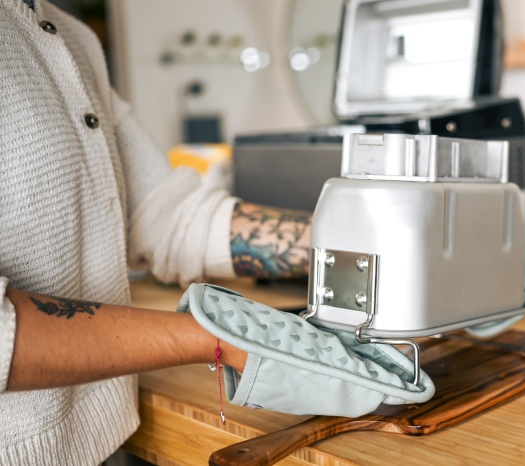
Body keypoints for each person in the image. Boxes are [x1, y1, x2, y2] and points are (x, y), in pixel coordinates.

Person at [0, 0, 312, 464]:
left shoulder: (69, 34)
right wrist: (219, 337)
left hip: (106, 438)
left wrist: (343, 242)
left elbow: (165, 214)